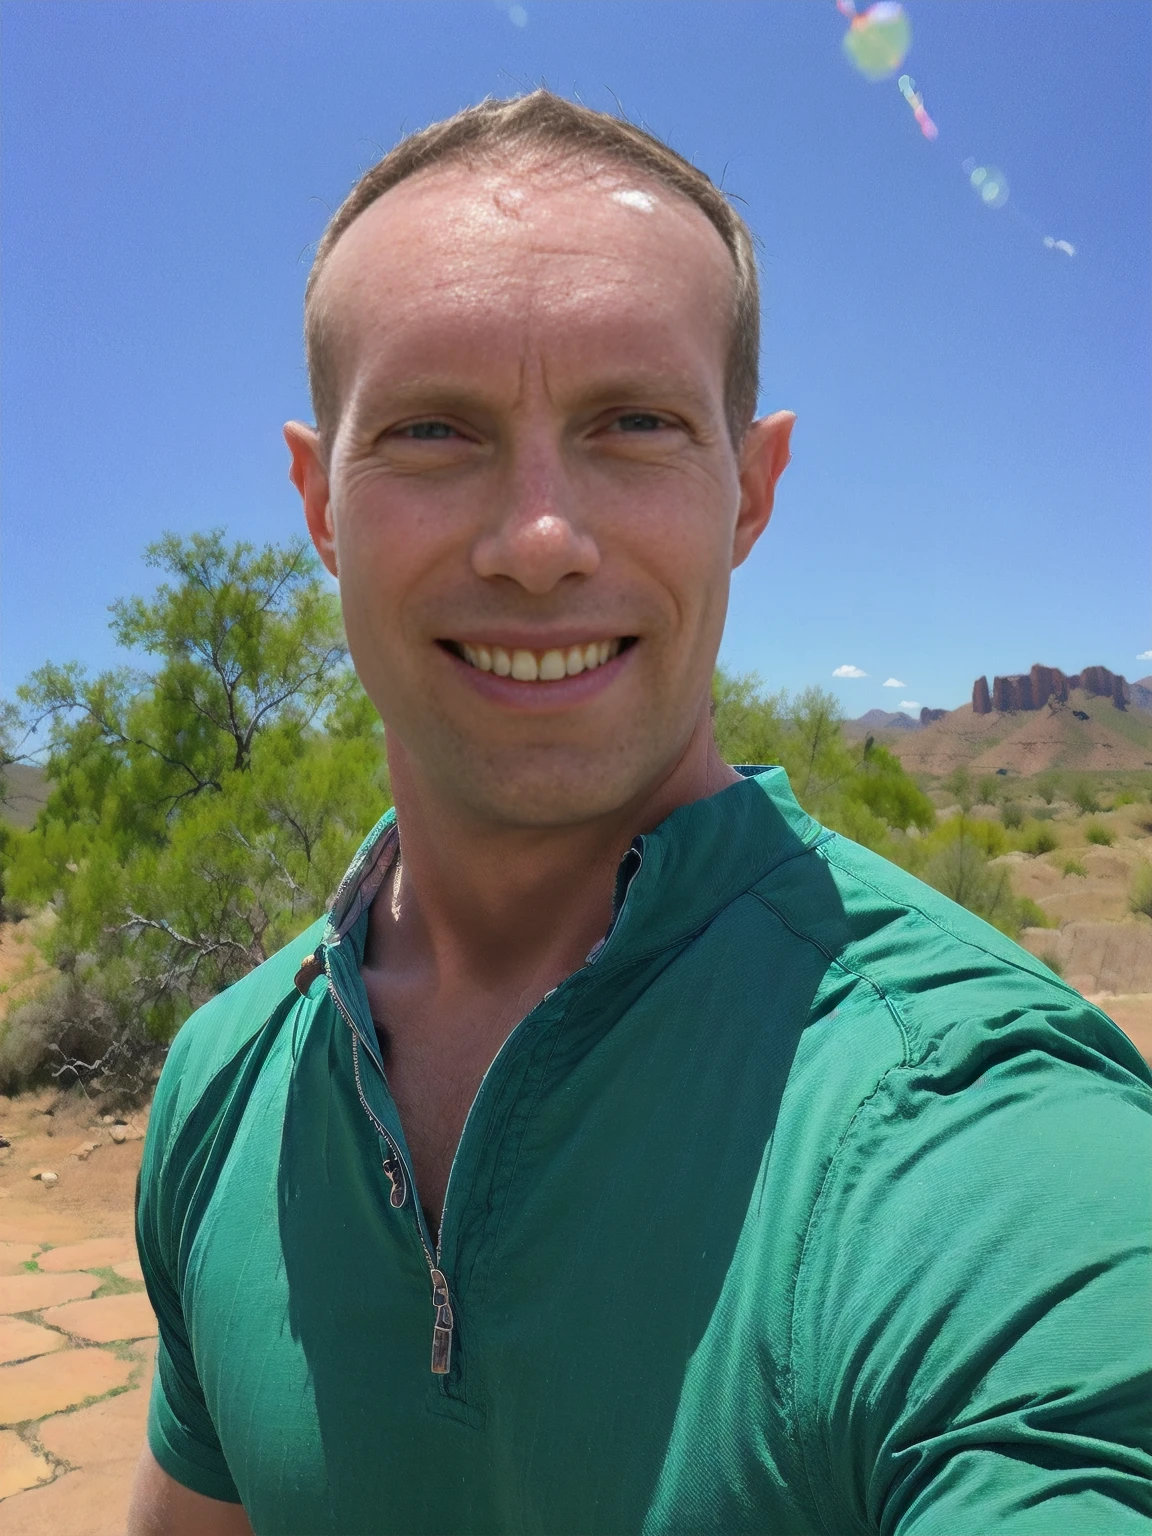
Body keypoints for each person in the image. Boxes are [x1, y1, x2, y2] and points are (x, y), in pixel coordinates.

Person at [127, 91, 1152, 1536]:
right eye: (432, 429)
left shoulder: (970, 1128)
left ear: (750, 488)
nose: (539, 540)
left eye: (636, 424)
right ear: (318, 500)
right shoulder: (226, 1086)